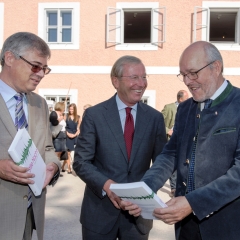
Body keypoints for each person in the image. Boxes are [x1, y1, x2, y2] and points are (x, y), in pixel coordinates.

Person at [123, 41, 240, 240]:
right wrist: (146, 188)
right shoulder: (185, 109)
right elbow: (171, 153)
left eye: (193, 73)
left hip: (227, 226)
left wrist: (194, 203)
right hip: (186, 227)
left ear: (216, 67)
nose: (187, 81)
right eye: (183, 74)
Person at [73, 55, 167, 240]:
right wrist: (108, 186)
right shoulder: (94, 115)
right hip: (99, 214)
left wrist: (146, 193)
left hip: (138, 217)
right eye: (134, 77)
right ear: (115, 81)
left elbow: (161, 163)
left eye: (144, 77)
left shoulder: (155, 118)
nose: (141, 83)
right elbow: (81, 162)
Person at [0, 32, 61, 240]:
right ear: (9, 58)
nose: (41, 74)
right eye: (36, 66)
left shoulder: (39, 103)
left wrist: (53, 166)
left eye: (45, 69)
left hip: (28, 216)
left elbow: (48, 148)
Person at [161, 90, 189, 198]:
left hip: (183, 141)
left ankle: (181, 186)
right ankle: (173, 188)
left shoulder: (189, 108)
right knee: (173, 163)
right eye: (186, 98)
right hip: (170, 140)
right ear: (180, 99)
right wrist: (167, 130)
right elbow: (159, 122)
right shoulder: (169, 107)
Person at [62, 103, 80, 174]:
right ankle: (69, 168)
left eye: (72, 109)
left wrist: (75, 134)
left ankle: (63, 166)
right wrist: (68, 134)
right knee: (68, 153)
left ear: (75, 109)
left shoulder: (78, 117)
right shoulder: (66, 116)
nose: (71, 110)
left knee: (73, 153)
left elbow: (79, 128)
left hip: (75, 136)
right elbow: (63, 127)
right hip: (68, 135)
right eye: (70, 109)